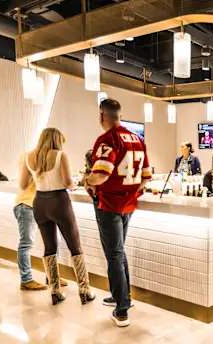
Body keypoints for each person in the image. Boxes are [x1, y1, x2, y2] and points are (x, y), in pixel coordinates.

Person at [85, 99, 152, 328]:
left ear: (102, 115)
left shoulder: (107, 139)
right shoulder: (138, 139)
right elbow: (145, 177)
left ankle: (121, 310)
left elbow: (101, 175)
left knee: (113, 254)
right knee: (118, 251)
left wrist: (87, 180)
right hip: (129, 205)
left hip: (109, 204)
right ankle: (123, 296)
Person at [20, 128, 94, 306]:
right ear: (56, 140)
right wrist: (74, 183)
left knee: (49, 247)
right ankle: (84, 290)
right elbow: (68, 182)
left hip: (40, 203)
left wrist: (40, 178)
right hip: (59, 202)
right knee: (74, 245)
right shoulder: (61, 155)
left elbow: (23, 184)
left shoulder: (29, 157)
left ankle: (54, 291)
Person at [13, 156, 49, 291]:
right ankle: (26, 280)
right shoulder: (30, 158)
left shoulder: (35, 159)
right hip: (26, 205)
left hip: (37, 205)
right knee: (26, 244)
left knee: (50, 241)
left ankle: (52, 275)